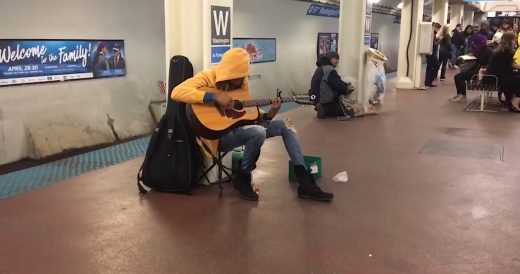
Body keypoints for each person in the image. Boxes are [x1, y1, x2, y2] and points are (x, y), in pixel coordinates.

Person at [172, 48, 334, 202]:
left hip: (242, 129)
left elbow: (250, 114)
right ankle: (243, 176)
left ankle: (304, 180)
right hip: (217, 137)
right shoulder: (208, 76)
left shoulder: (241, 83)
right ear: (229, 72)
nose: (242, 80)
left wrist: (270, 114)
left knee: (286, 125)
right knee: (257, 132)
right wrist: (212, 98)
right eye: (239, 76)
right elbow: (176, 92)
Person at [449, 28, 493, 103]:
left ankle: (462, 96)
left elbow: (483, 62)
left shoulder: (487, 51)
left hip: (482, 72)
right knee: (457, 76)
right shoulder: (480, 49)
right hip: (478, 70)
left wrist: (475, 56)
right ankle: (460, 94)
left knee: (459, 77)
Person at [310, 51, 354, 118]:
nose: (337, 61)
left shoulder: (320, 68)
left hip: (314, 97)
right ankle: (325, 109)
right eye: (335, 58)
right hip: (323, 98)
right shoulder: (329, 69)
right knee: (346, 111)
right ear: (330, 59)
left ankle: (321, 107)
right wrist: (347, 88)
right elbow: (337, 83)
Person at [484, 31, 520, 112]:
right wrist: (516, 69)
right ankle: (514, 103)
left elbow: (505, 68)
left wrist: (515, 68)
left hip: (495, 76)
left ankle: (510, 100)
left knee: (516, 78)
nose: (516, 41)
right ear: (510, 41)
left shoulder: (501, 51)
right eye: (515, 40)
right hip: (496, 78)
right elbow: (507, 69)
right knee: (518, 80)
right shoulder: (506, 52)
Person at [425, 22, 442, 87]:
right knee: (436, 66)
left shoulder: (431, 34)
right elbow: (434, 44)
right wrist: (439, 40)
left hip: (430, 53)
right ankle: (429, 81)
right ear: (435, 28)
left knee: (429, 67)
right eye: (438, 29)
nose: (438, 30)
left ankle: (428, 82)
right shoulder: (432, 34)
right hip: (432, 53)